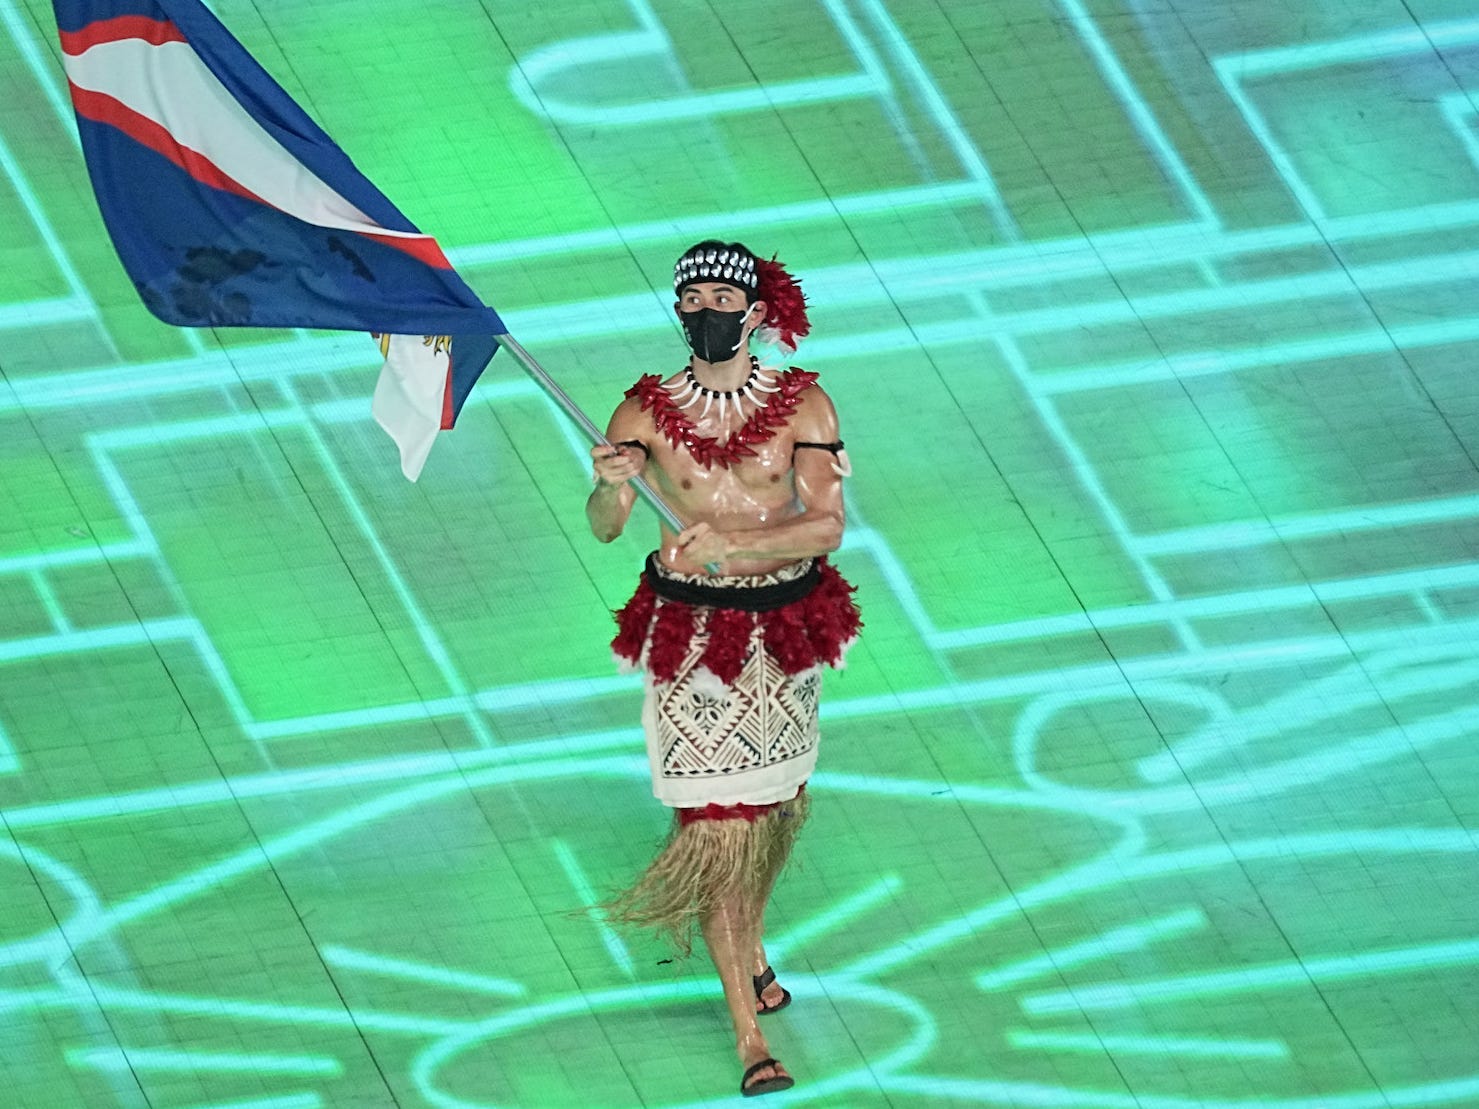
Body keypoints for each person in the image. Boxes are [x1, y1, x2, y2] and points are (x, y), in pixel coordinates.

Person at [586, 240, 861, 1098]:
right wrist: (609, 481)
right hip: (691, 633)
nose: (703, 307)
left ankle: (752, 944)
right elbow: (604, 526)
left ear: (752, 309)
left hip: (781, 627)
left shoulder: (803, 405)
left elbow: (825, 528)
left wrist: (735, 544)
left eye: (718, 293)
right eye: (690, 293)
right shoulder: (640, 410)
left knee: (772, 803)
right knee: (715, 824)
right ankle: (747, 1030)